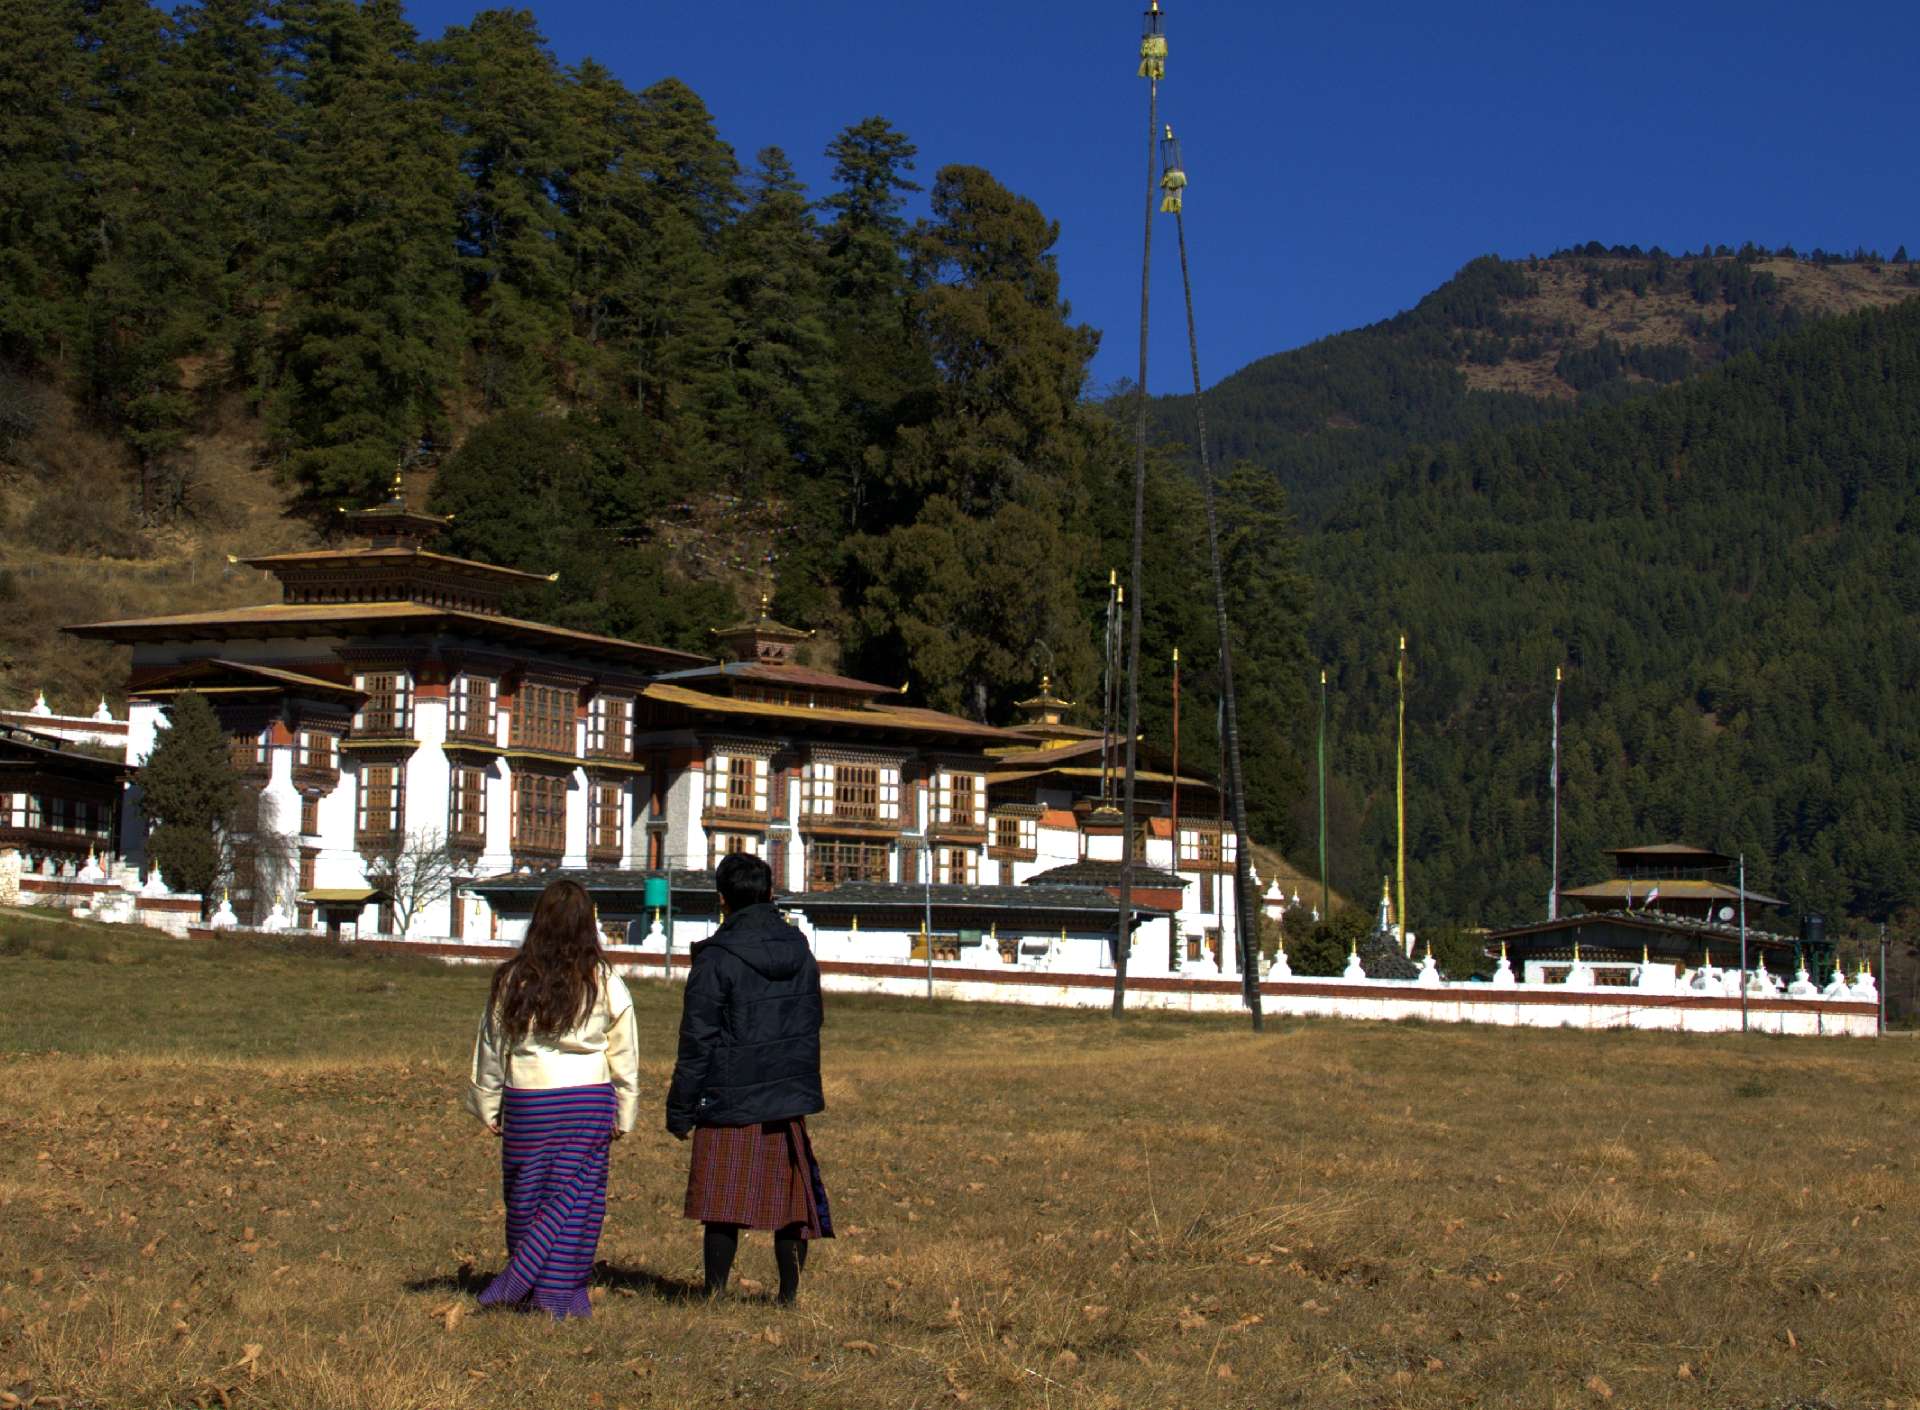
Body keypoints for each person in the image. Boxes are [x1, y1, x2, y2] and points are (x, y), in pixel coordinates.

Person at [465, 878, 640, 1319]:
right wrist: (626, 1109)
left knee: (527, 1197)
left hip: (529, 1101)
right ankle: (555, 1294)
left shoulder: (512, 978)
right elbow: (625, 1051)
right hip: (587, 1101)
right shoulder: (605, 980)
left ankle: (523, 1286)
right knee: (576, 1203)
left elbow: (492, 1046)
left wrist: (488, 1102)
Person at [667, 852, 831, 1304]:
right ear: (771, 895)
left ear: (722, 900)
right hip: (786, 1091)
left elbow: (696, 1040)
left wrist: (680, 1108)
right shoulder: (800, 949)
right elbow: (813, 1016)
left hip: (727, 1092)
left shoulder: (716, 958)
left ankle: (714, 1293)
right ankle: (788, 1295)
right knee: (791, 1204)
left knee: (722, 1201)